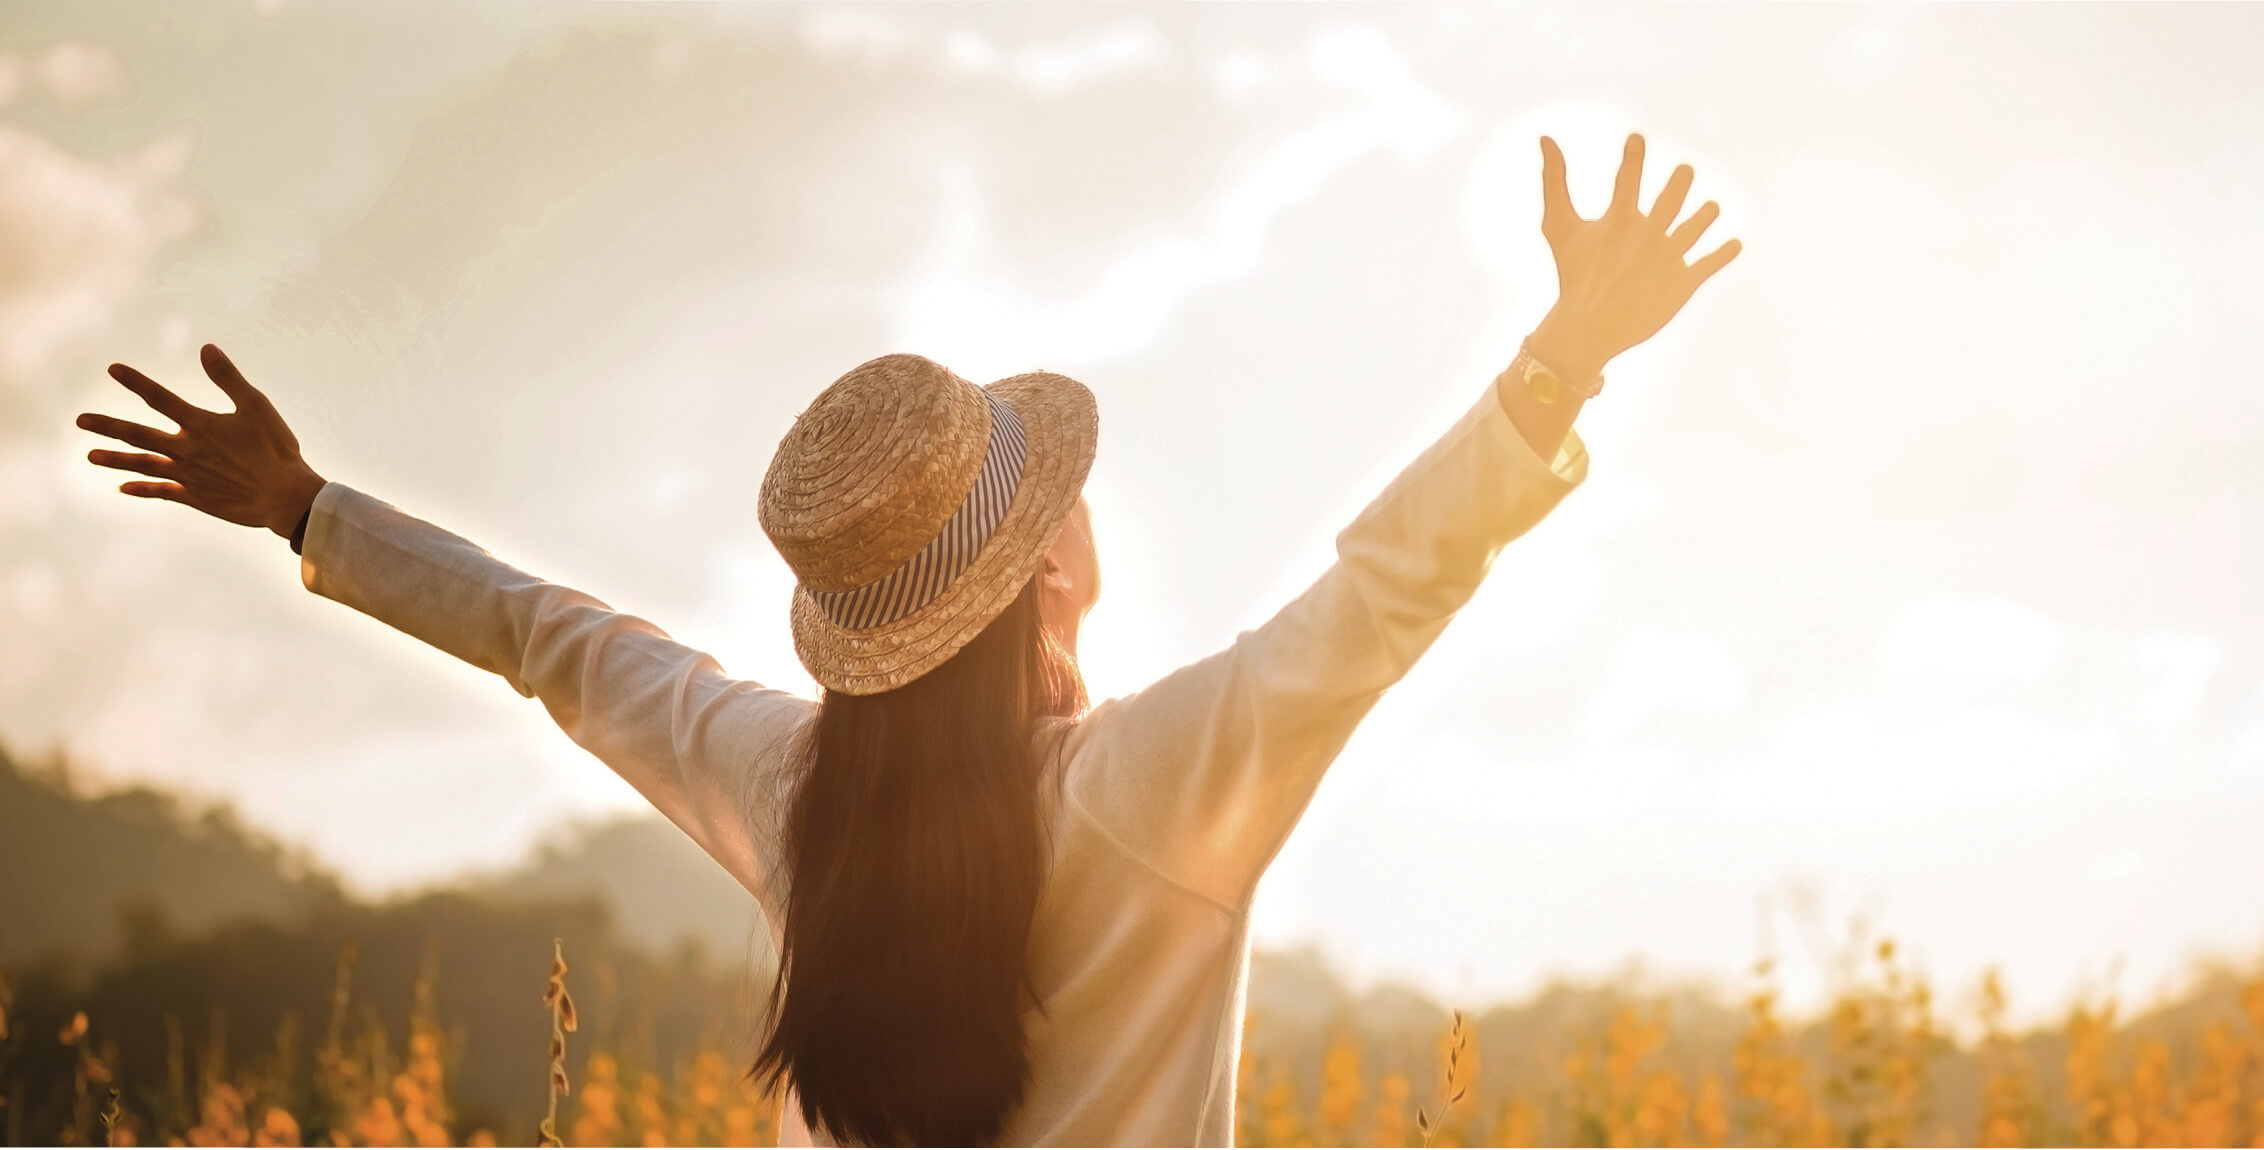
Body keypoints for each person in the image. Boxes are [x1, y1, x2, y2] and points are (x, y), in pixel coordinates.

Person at [78, 133, 1739, 1147]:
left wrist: (310, 509)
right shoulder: (1153, 785)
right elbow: (1381, 594)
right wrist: (1556, 366)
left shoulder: (792, 789)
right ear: (1046, 579)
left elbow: (551, 638)